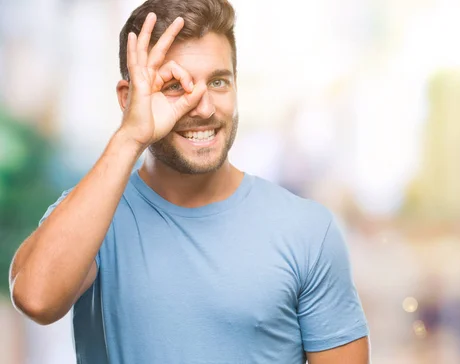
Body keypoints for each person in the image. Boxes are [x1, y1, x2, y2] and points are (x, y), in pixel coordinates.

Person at [8, 0, 370, 363]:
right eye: (174, 86)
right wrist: (130, 136)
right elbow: (36, 299)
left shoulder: (306, 231)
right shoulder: (94, 217)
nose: (204, 107)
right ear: (127, 98)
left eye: (218, 82)